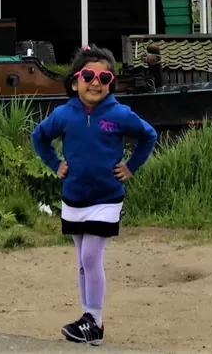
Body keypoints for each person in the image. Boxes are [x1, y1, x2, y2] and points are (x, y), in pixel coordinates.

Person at [32, 44, 157, 346]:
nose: (96, 82)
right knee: (81, 260)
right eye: (88, 75)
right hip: (73, 198)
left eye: (104, 78)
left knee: (91, 256)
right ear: (75, 81)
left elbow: (148, 135)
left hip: (107, 198)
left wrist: (130, 167)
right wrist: (54, 164)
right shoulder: (64, 114)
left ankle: (95, 321)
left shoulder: (119, 114)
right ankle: (87, 317)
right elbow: (39, 137)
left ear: (111, 84)